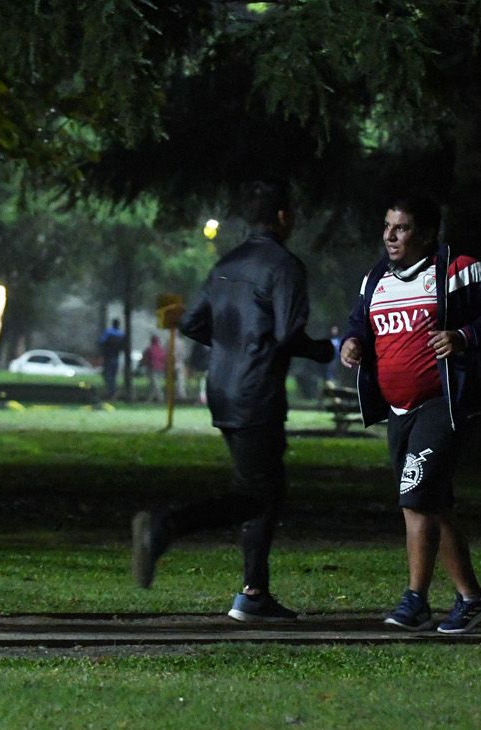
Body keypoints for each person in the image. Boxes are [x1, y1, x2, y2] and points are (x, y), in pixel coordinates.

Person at [130, 179, 333, 622]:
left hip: (222, 390)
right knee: (257, 494)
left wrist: (230, 345)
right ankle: (167, 527)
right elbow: (286, 334)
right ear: (283, 217)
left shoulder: (228, 262)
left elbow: (192, 323)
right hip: (256, 392)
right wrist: (324, 351)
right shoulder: (284, 266)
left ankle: (254, 593)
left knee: (264, 489)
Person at [340, 195, 481, 634]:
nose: (390, 236)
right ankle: (472, 597)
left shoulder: (459, 271)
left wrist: (465, 336)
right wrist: (351, 343)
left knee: (415, 500)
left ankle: (416, 600)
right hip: (398, 409)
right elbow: (360, 323)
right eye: (388, 226)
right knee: (434, 503)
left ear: (428, 234)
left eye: (403, 228)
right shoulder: (376, 278)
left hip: (441, 404)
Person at [97, 318, 125, 399]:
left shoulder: (108, 332)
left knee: (107, 374)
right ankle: (113, 390)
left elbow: (101, 341)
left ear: (112, 324)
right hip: (116, 356)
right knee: (113, 375)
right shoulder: (121, 334)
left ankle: (111, 391)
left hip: (108, 357)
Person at [143, 334, 166, 402]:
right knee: (154, 385)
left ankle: (161, 399)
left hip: (153, 369)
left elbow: (145, 359)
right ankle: (149, 400)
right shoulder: (161, 349)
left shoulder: (149, 349)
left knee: (155, 385)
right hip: (161, 369)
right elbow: (164, 359)